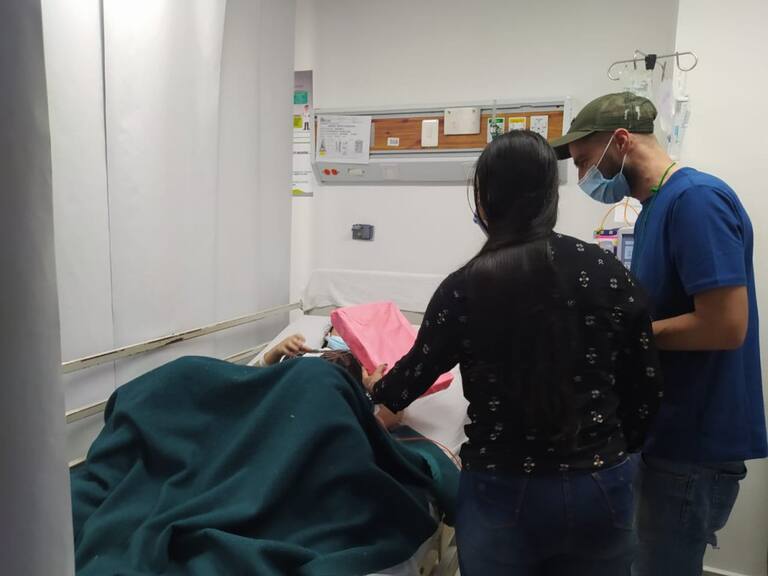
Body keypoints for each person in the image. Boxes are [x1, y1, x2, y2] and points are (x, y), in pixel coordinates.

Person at [363, 130, 663, 575]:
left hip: (502, 491)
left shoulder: (464, 288)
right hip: (599, 484)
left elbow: (409, 381)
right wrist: (613, 450)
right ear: (550, 197)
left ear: (485, 201)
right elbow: (646, 385)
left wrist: (377, 386)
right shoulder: (606, 271)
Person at [550, 91, 767, 576]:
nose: (583, 177)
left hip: (693, 442)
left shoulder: (696, 201)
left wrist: (624, 336)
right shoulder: (654, 208)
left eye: (584, 162)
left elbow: (726, 325)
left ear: (621, 141)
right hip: (666, 434)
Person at [257, 330, 404, 430]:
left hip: (309, 412)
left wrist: (377, 389)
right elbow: (254, 378)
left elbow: (393, 414)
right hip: (285, 401)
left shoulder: (358, 366)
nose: (349, 333)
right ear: (328, 334)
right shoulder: (298, 353)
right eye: (341, 327)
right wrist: (275, 352)